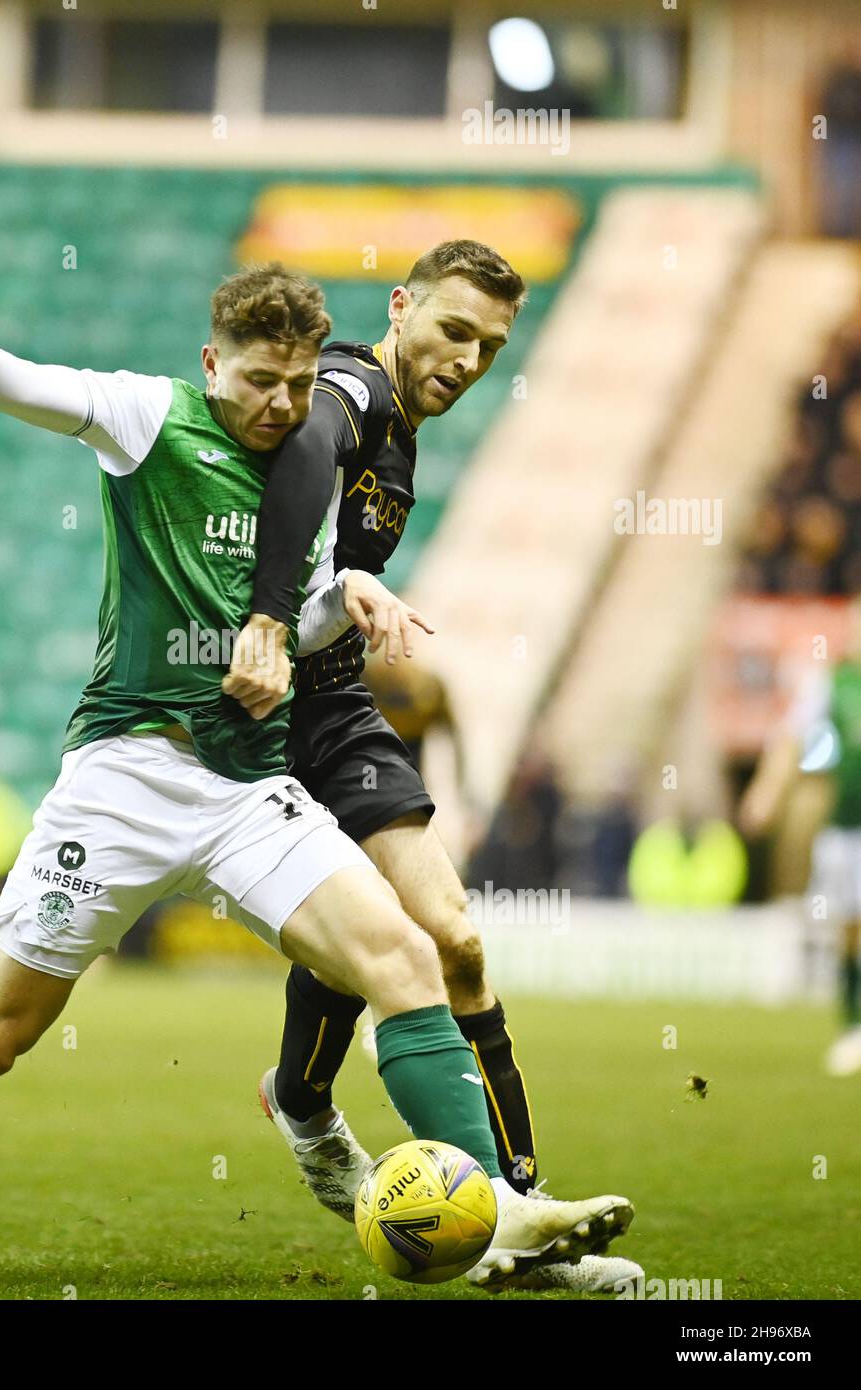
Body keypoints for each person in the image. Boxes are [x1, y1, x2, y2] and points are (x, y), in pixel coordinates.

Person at [0, 259, 631, 1287]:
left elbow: (287, 621)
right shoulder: (146, 418)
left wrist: (349, 601)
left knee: (405, 956)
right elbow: (10, 376)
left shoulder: (311, 472)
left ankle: (497, 1210)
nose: (281, 407)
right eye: (258, 382)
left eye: (296, 387)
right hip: (125, 781)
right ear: (212, 364)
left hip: (248, 792)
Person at [224, 240, 639, 1291]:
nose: (468, 357)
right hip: (252, 697)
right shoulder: (354, 392)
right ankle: (309, 1103)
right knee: (373, 937)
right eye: (453, 329)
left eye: (492, 346)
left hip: (331, 699)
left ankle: (519, 1217)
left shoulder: (402, 437)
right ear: (400, 308)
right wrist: (274, 616)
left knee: (449, 936)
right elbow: (314, 438)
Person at [740, 596, 861, 1076]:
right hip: (848, 825)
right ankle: (852, 1026)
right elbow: (792, 738)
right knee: (851, 927)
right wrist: (767, 792)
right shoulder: (833, 683)